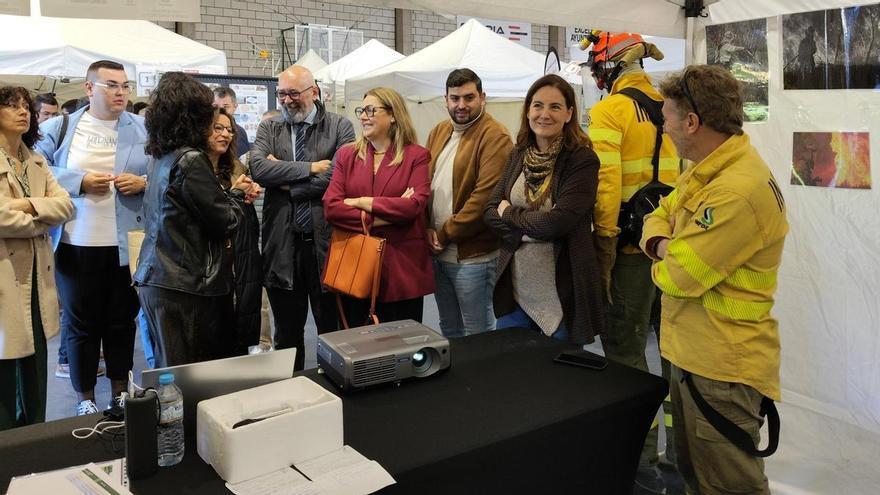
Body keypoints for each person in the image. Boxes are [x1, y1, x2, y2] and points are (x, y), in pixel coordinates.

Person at [642, 65, 788, 494]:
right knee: (697, 477)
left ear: (692, 122)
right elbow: (657, 216)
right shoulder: (708, 168)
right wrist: (664, 241)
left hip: (723, 368)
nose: (663, 126)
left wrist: (663, 247)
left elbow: (677, 276)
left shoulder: (735, 190)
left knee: (728, 486)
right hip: (696, 356)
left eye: (667, 117)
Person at [584, 30, 681, 489]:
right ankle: (681, 453)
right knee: (674, 352)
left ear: (610, 66)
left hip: (627, 250)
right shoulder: (675, 108)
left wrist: (603, 240)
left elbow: (605, 183)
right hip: (673, 249)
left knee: (625, 352)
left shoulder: (610, 110)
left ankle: (639, 457)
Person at [36, 60, 148, 416]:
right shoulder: (62, 125)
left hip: (126, 243)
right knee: (81, 325)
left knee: (121, 321)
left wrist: (144, 183)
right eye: (112, 85)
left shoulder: (143, 128)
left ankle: (119, 390)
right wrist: (78, 182)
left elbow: (165, 169)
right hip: (75, 242)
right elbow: (36, 170)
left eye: (125, 86)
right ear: (89, 89)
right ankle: (84, 397)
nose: (120, 93)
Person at [133, 72, 258, 367]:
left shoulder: (162, 156)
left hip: (161, 279)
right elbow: (225, 220)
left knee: (172, 372)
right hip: (183, 286)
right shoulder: (190, 159)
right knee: (190, 377)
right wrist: (237, 195)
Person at [483, 74, 604, 344]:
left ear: (569, 113)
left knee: (560, 378)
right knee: (510, 371)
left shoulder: (582, 161)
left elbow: (557, 224)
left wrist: (510, 214)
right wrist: (528, 226)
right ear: (528, 110)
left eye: (555, 107)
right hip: (514, 290)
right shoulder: (518, 155)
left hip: (561, 292)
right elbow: (490, 210)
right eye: (537, 105)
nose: (544, 114)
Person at [250, 65, 354, 371]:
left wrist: (284, 182)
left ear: (314, 92)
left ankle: (335, 390)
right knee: (287, 336)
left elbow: (340, 178)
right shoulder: (270, 128)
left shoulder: (340, 127)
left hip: (327, 245)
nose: (286, 100)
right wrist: (310, 169)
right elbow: (258, 169)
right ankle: (293, 395)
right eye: (282, 93)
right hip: (282, 246)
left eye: (294, 93)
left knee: (332, 332)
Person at [323, 87, 433, 325]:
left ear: (393, 115)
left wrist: (363, 202)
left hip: (401, 271)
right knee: (359, 349)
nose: (363, 116)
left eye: (371, 110)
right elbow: (331, 208)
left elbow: (414, 207)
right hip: (355, 268)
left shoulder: (417, 156)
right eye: (361, 110)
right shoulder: (346, 155)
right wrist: (389, 213)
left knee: (402, 348)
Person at [0, 86, 73, 430]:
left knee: (36, 365)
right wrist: (42, 218)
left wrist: (27, 206)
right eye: (11, 105)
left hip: (37, 275)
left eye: (25, 105)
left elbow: (66, 206)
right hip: (5, 275)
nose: (22, 111)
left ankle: (34, 442)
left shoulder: (37, 161)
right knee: (6, 363)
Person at [425, 69, 512, 338]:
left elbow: (483, 199)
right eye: (455, 98)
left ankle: (483, 382)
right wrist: (427, 230)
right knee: (449, 330)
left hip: (473, 256)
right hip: (438, 252)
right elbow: (424, 184)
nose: (461, 105)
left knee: (479, 334)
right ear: (446, 99)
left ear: (482, 97)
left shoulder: (495, 135)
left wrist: (443, 233)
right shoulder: (439, 130)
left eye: (468, 97)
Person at [205, 108, 263, 356]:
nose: (225, 134)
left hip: (241, 263)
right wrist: (236, 194)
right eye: (218, 128)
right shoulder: (194, 169)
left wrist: (249, 190)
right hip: (210, 270)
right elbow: (212, 214)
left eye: (229, 130)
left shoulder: (237, 168)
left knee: (239, 338)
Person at [213, 87, 251, 154]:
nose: (220, 111)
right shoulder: (205, 130)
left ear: (235, 106)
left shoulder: (240, 132)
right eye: (215, 106)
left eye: (226, 107)